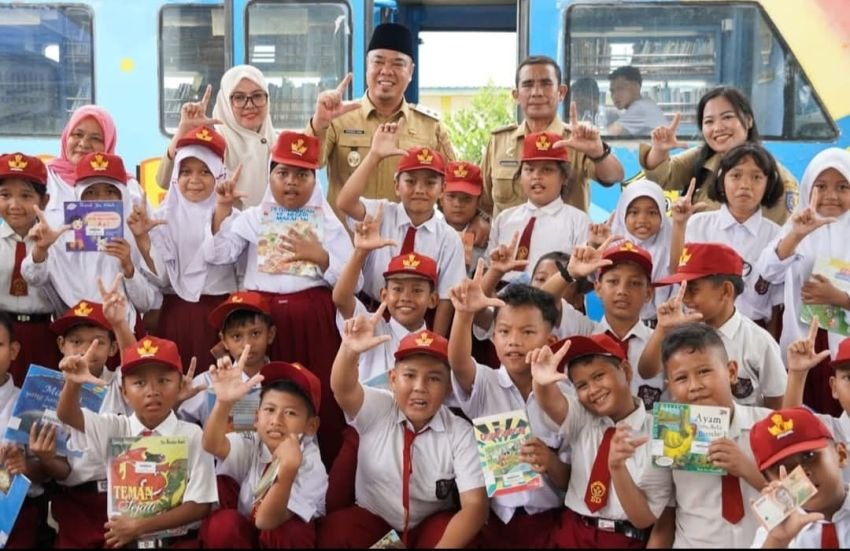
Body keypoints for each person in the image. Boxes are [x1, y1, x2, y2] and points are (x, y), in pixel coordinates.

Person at [202, 131, 353, 464]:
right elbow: (218, 254)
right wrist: (222, 209)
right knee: (261, 399)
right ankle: (257, 474)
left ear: (315, 179)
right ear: (270, 174)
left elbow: (350, 282)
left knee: (317, 396)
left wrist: (322, 258)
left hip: (313, 322)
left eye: (302, 174)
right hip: (261, 325)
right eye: (282, 172)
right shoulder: (254, 217)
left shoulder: (328, 223)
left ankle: (316, 474)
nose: (291, 183)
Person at [320, 324, 488, 548]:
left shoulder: (460, 433)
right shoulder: (379, 407)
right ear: (392, 379)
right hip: (375, 519)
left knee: (464, 538)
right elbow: (343, 389)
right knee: (339, 531)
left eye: (434, 379)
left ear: (449, 388)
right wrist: (350, 351)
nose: (420, 387)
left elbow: (475, 506)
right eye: (409, 375)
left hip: (426, 525)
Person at [614, 323, 772, 548]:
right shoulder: (671, 432)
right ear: (670, 388)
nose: (695, 386)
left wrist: (748, 470)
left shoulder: (769, 426)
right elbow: (644, 518)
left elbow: (802, 502)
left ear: (731, 372)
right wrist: (617, 469)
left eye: (704, 372)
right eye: (681, 379)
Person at [56, 336, 218, 548]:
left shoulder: (192, 434)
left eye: (164, 381)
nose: (152, 391)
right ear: (124, 392)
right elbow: (68, 415)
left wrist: (140, 526)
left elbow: (200, 505)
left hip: (177, 542)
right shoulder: (116, 428)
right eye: (139, 383)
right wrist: (72, 384)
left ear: (180, 386)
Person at [448, 275, 570, 548]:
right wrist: (464, 314)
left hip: (548, 520)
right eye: (504, 331)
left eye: (527, 332)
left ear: (550, 339)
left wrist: (550, 461)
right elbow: (458, 362)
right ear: (493, 339)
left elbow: (570, 478)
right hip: (496, 521)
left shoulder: (565, 398)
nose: (514, 341)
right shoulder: (486, 383)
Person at [529, 332, 666, 548]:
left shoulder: (659, 432)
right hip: (572, 531)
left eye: (599, 376)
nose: (593, 390)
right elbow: (551, 403)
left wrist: (617, 467)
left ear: (626, 371)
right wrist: (541, 382)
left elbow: (644, 519)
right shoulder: (583, 418)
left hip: (625, 538)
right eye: (581, 386)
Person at [307, 22, 455, 218]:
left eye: (397, 64)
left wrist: (476, 220)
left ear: (411, 72)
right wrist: (319, 123)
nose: (386, 71)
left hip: (405, 245)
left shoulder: (430, 126)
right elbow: (309, 164)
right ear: (367, 66)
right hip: (346, 243)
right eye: (378, 62)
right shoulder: (340, 118)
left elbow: (453, 186)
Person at [335, 123, 466, 337]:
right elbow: (345, 202)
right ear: (397, 186)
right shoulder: (381, 213)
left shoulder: (448, 238)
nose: (419, 190)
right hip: (371, 312)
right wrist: (374, 156)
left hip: (418, 322)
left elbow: (445, 299)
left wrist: (435, 343)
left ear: (443, 189)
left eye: (430, 183)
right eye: (410, 182)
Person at [131, 125, 239, 371]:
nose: (194, 180)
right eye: (186, 171)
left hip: (221, 319)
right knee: (175, 384)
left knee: (217, 389)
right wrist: (143, 239)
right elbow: (160, 278)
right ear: (175, 177)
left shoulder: (235, 217)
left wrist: (220, 215)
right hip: (175, 315)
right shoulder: (160, 218)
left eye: (205, 171)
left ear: (218, 176)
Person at [756, 147, 850, 417]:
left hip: (846, 352)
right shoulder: (797, 226)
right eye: (821, 186)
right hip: (802, 344)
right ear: (808, 187)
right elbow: (766, 273)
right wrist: (795, 236)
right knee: (802, 423)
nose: (831, 195)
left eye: (842, 186)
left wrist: (840, 298)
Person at [22, 152, 161, 332]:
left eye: (110, 192)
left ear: (123, 195)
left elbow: (146, 302)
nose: (100, 199)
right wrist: (41, 249)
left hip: (122, 333)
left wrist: (128, 268)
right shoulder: (61, 232)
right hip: (75, 334)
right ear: (79, 196)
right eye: (91, 192)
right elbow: (33, 277)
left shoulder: (134, 234)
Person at [640, 242, 787, 409]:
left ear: (725, 291)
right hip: (685, 429)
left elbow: (776, 400)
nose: (685, 299)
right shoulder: (677, 331)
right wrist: (662, 328)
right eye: (681, 289)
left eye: (693, 290)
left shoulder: (758, 341)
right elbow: (647, 372)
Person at [200, 356, 326, 548]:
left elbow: (265, 521)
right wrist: (224, 403)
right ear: (256, 418)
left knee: (289, 532)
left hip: (279, 529)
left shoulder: (310, 464)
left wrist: (288, 470)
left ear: (311, 426)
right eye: (269, 409)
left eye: (290, 412)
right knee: (223, 525)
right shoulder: (253, 440)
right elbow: (212, 445)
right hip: (247, 529)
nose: (276, 420)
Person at [481, 55, 624, 218]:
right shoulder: (499, 141)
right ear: (516, 95)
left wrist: (598, 152)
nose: (536, 93)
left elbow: (614, 176)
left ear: (561, 92)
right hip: (512, 242)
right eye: (528, 85)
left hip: (565, 242)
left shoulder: (576, 141)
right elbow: (483, 201)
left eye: (546, 84)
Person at [639, 86, 799, 225]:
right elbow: (663, 179)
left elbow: (778, 237)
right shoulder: (703, 156)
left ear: (749, 120)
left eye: (727, 117)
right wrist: (659, 150)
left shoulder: (775, 175)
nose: (718, 128)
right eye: (709, 121)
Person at [669, 144, 784, 329]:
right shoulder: (698, 224)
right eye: (736, 176)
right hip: (699, 328)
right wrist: (679, 224)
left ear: (768, 184)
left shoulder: (777, 236)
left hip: (753, 330)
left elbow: (777, 305)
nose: (745, 185)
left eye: (756, 177)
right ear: (722, 180)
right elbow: (676, 274)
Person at [542, 240, 662, 409]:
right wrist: (569, 273)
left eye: (634, 283)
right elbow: (541, 303)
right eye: (613, 281)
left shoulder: (659, 342)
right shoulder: (582, 330)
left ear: (649, 293)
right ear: (598, 288)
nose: (622, 291)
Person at [156, 65, 276, 208]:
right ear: (225, 102)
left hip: (267, 229)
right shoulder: (211, 142)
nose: (249, 105)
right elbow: (164, 181)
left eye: (257, 96)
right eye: (239, 97)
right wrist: (182, 133)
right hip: (217, 228)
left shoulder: (279, 144)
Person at [487, 131, 591, 285]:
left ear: (563, 177)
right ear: (520, 176)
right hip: (505, 301)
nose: (536, 176)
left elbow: (584, 275)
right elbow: (489, 267)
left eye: (547, 170)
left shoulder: (578, 221)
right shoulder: (505, 219)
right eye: (529, 169)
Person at [0, 153, 62, 385]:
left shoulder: (55, 243)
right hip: (2, 335)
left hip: (43, 333)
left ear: (44, 201)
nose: (14, 205)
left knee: (40, 408)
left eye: (26, 196)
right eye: (5, 195)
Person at [749, 407, 848, 548]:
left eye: (809, 456)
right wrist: (778, 541)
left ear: (841, 454)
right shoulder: (772, 534)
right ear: (770, 483)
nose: (802, 474)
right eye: (783, 468)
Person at [177, 291, 275, 428]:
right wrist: (175, 402)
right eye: (236, 336)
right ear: (224, 341)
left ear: (270, 334)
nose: (247, 344)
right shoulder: (206, 383)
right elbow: (177, 428)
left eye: (255, 333)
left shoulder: (285, 381)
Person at [45, 106, 143, 219]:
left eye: (95, 139)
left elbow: (150, 231)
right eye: (77, 134)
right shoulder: (45, 178)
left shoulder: (127, 185)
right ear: (66, 137)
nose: (83, 144)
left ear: (108, 143)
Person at [608, 178, 673, 324]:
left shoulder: (671, 244)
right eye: (634, 212)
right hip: (619, 324)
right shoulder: (612, 244)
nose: (642, 219)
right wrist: (594, 245)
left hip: (665, 325)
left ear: (662, 214)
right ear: (623, 214)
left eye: (652, 212)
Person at [440, 161, 487, 276]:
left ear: (478, 202)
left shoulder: (487, 235)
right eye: (451, 196)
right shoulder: (429, 231)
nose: (458, 204)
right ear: (440, 198)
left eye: (467, 198)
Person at [605, 66, 666, 137]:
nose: (614, 96)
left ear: (635, 87)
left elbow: (608, 135)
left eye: (620, 89)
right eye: (612, 91)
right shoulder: (646, 103)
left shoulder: (640, 107)